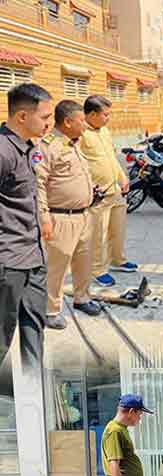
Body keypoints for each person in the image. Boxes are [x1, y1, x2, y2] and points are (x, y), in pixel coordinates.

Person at [37, 99, 103, 330]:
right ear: (67, 122)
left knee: (83, 261)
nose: (85, 125)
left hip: (84, 215)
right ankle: (50, 309)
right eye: (82, 121)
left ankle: (81, 297)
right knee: (57, 266)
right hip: (60, 217)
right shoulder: (48, 146)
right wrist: (44, 216)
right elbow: (38, 184)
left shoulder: (73, 143)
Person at [0, 83, 51, 369]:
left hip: (33, 256)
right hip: (9, 262)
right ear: (22, 116)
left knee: (34, 329)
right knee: (2, 336)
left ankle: (34, 395)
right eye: (44, 118)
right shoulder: (3, 151)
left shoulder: (29, 148)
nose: (49, 124)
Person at [81, 95, 136, 288]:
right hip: (98, 194)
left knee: (118, 229)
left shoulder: (104, 130)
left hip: (115, 189)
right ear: (93, 114)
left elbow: (111, 157)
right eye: (106, 114)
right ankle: (97, 269)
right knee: (99, 233)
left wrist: (123, 178)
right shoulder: (80, 133)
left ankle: (117, 260)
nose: (108, 118)